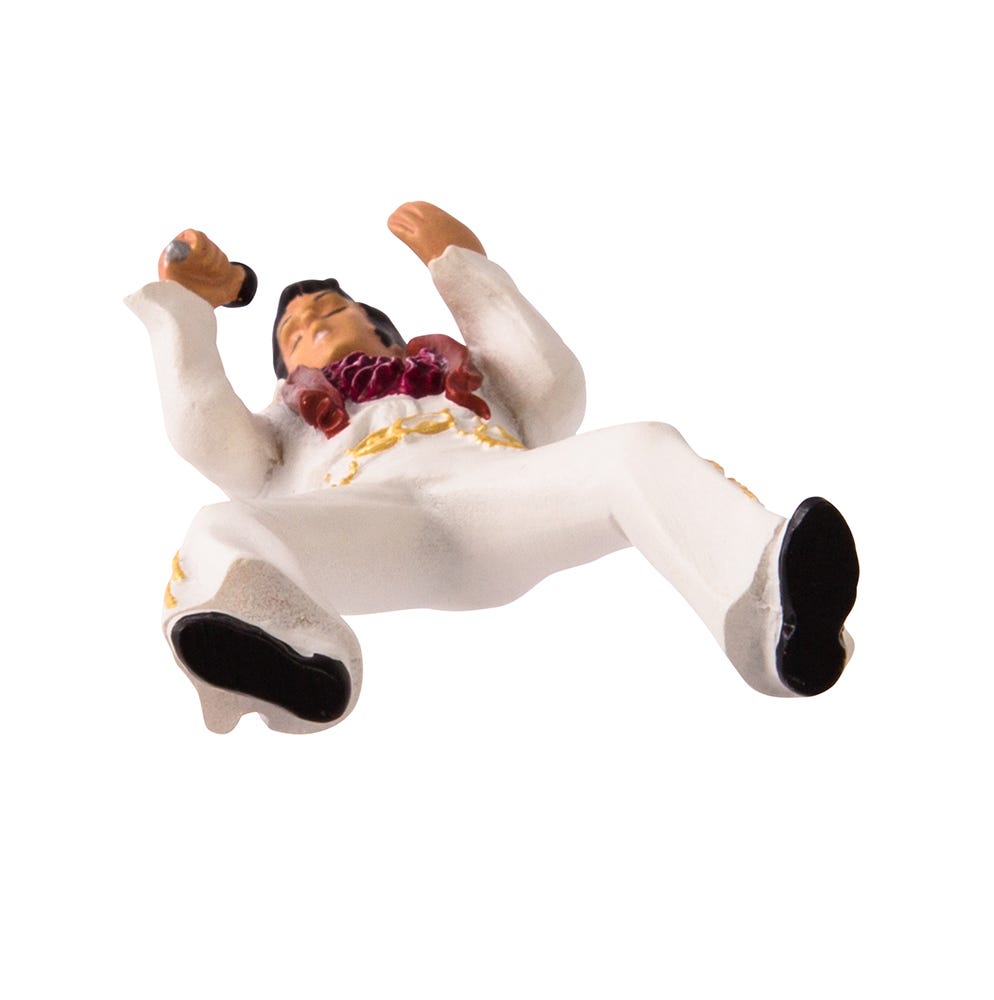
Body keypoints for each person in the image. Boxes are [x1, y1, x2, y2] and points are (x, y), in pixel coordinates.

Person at [126, 201, 859, 735]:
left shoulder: (463, 373)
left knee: (639, 447)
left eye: (329, 309)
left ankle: (769, 607)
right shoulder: (282, 427)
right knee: (219, 527)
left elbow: (553, 385)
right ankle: (290, 651)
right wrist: (187, 308)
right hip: (369, 524)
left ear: (381, 327)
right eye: (292, 332)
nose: (309, 320)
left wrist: (458, 263)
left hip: (498, 495)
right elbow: (200, 428)